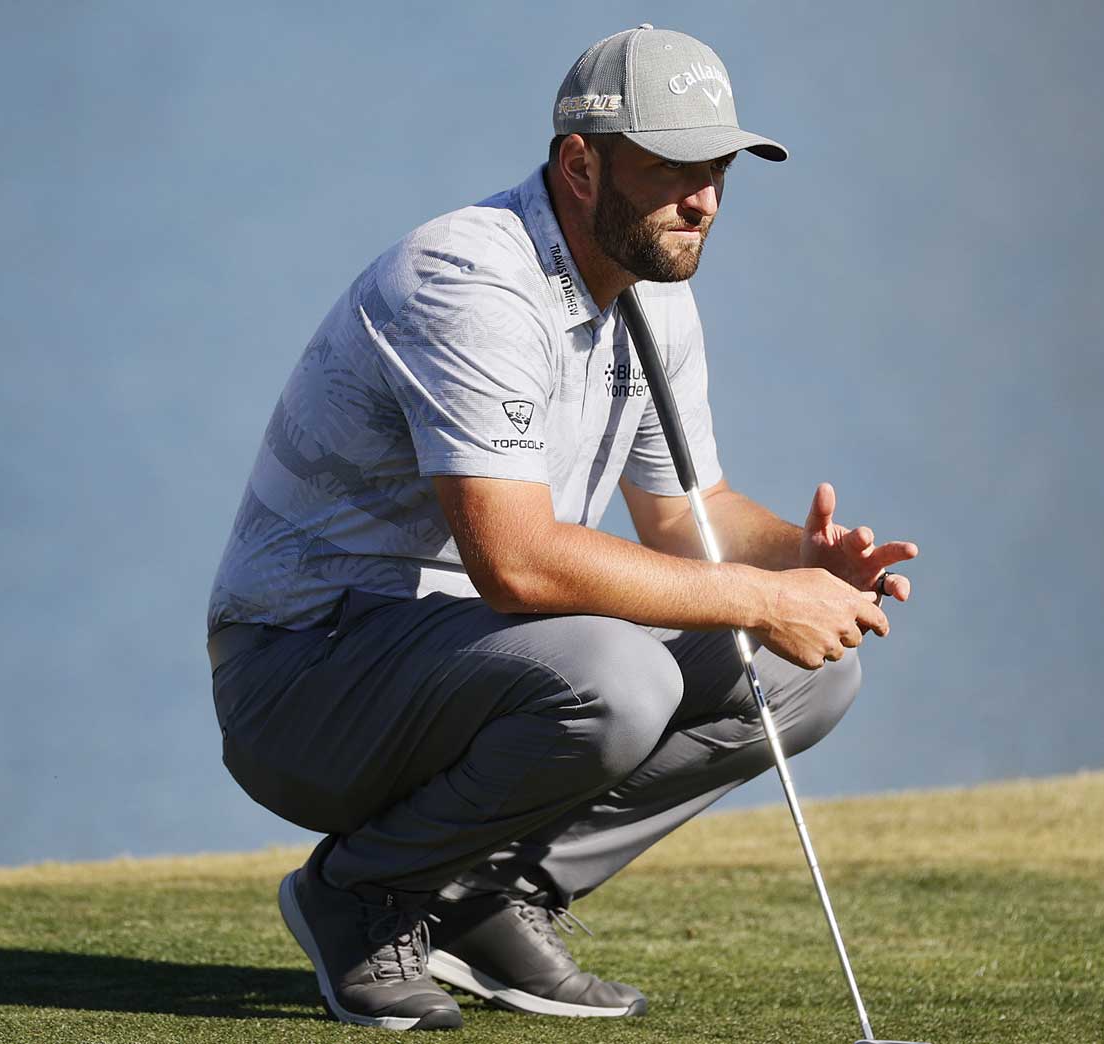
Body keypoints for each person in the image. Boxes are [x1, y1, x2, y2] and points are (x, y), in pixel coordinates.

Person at [205, 24, 920, 1032]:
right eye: (673, 168)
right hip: (300, 680)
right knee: (616, 679)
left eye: (716, 168)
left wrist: (802, 567)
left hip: (470, 669)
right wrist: (761, 595)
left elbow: (684, 516)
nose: (704, 200)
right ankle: (359, 894)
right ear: (578, 165)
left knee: (809, 670)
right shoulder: (468, 279)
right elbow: (517, 563)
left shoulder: (649, 288)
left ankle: (480, 898)